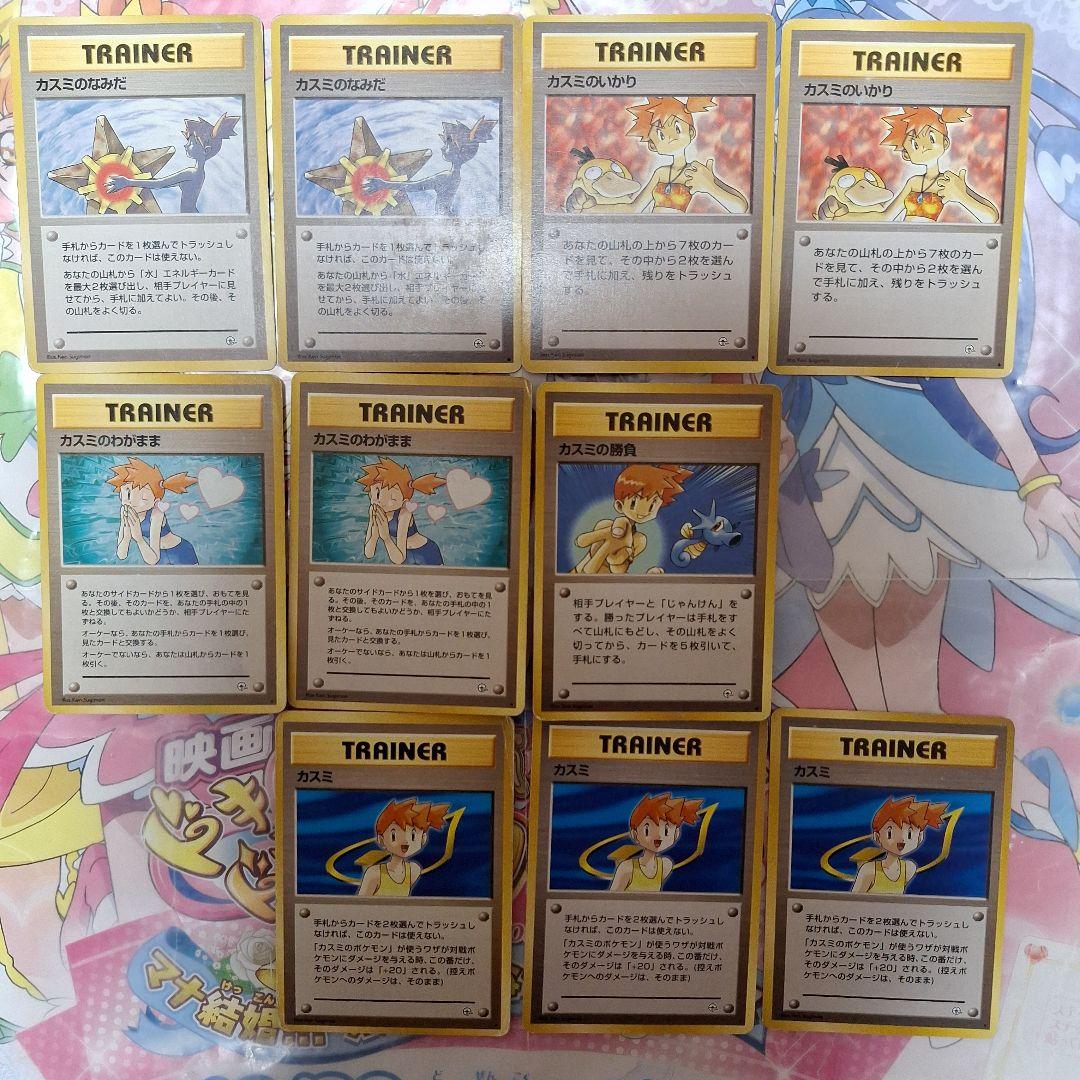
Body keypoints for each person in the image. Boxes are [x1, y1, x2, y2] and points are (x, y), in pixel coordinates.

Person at [620, 96, 748, 214]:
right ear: (653, 146)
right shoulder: (660, 173)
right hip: (653, 227)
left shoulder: (695, 171)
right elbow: (635, 208)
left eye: (677, 129)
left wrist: (710, 187)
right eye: (661, 135)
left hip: (678, 228)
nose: (671, 137)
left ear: (691, 132)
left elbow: (740, 208)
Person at [877, 106, 999, 223]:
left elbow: (991, 218)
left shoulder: (948, 181)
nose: (924, 147)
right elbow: (887, 216)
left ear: (945, 142)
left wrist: (961, 196)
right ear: (906, 155)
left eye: (931, 138)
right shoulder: (913, 182)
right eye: (915, 145)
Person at [105, 113, 239, 213]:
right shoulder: (199, 173)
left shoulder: (191, 173)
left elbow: (159, 184)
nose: (186, 146)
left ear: (206, 150)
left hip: (189, 218)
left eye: (190, 143)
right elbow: (163, 183)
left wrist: (127, 182)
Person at [573, 463, 690, 574]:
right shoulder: (604, 525)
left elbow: (618, 569)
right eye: (634, 503)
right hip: (580, 575)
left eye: (652, 505)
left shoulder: (640, 540)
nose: (643, 512)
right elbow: (583, 543)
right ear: (619, 506)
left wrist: (625, 555)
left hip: (611, 583)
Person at [105, 457, 198, 566]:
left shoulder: (156, 513)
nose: (132, 501)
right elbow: (121, 555)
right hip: (155, 555)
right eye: (128, 493)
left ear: (156, 501)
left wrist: (139, 539)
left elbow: (153, 560)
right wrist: (126, 535)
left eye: (143, 497)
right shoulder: (126, 511)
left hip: (180, 551)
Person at [357, 458, 445, 566]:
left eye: (392, 498)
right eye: (377, 493)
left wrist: (386, 538)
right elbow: (368, 553)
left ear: (404, 501)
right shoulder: (374, 510)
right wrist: (374, 535)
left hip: (425, 552)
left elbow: (399, 559)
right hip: (401, 555)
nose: (382, 501)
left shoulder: (404, 514)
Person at [852, 796, 949, 895]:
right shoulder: (869, 870)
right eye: (890, 833)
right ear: (877, 837)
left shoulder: (909, 869)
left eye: (909, 834)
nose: (902, 840)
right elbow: (853, 900)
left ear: (920, 837)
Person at [357, 798, 450, 898]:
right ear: (381, 840)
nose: (405, 841)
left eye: (413, 836)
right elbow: (360, 904)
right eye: (394, 836)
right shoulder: (374, 874)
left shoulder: (414, 870)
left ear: (423, 839)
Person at [609, 792, 702, 893]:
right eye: (647, 830)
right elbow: (611, 899)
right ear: (635, 835)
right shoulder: (627, 868)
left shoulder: (665, 865)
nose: (658, 837)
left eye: (666, 831)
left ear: (676, 834)